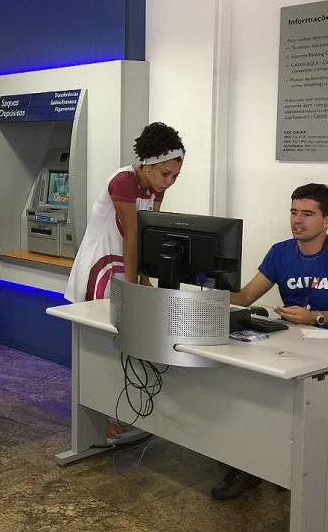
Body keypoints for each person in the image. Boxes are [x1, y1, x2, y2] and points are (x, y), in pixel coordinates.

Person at [211, 183, 328, 501]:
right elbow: (246, 297)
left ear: (326, 221)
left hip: (322, 348)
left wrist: (315, 317)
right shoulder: (281, 252)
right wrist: (206, 287)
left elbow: (316, 318)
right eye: (293, 212)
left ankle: (295, 468)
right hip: (292, 343)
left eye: (307, 214)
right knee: (247, 385)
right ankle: (248, 465)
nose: (297, 220)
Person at [65, 122, 185, 303]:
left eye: (175, 176)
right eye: (165, 173)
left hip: (125, 263)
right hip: (100, 265)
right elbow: (132, 234)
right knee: (98, 318)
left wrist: (144, 279)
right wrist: (132, 288)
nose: (169, 181)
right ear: (149, 165)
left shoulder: (157, 187)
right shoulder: (123, 181)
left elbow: (148, 236)